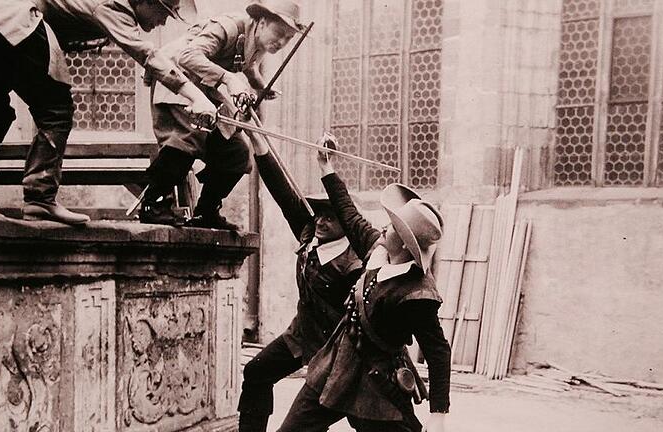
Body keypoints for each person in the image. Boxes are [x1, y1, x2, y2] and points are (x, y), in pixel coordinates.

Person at [0, 0, 217, 224]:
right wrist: (197, 96)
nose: (163, 22)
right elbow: (146, 53)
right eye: (163, 13)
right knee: (55, 110)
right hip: (15, 19)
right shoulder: (114, 6)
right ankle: (40, 198)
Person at [276, 135, 451, 432]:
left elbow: (437, 350)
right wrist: (326, 168)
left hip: (377, 383)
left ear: (407, 245)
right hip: (335, 367)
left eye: (394, 227)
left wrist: (439, 413)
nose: (384, 227)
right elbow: (349, 214)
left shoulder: (417, 294)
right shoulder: (377, 249)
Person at [237, 131, 363, 432]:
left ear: (345, 224)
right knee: (256, 372)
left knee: (332, 413)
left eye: (329, 217)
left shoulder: (354, 265)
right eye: (318, 214)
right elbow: (282, 191)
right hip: (302, 335)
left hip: (335, 347)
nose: (320, 221)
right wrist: (256, 139)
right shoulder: (310, 235)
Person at [139, 0, 303, 229]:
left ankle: (206, 211)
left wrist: (260, 87)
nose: (282, 42)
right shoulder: (227, 27)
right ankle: (152, 204)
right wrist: (228, 78)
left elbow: (248, 65)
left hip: (204, 89)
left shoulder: (259, 41)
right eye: (280, 33)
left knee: (236, 151)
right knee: (188, 138)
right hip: (176, 81)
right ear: (263, 22)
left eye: (288, 38)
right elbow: (187, 56)